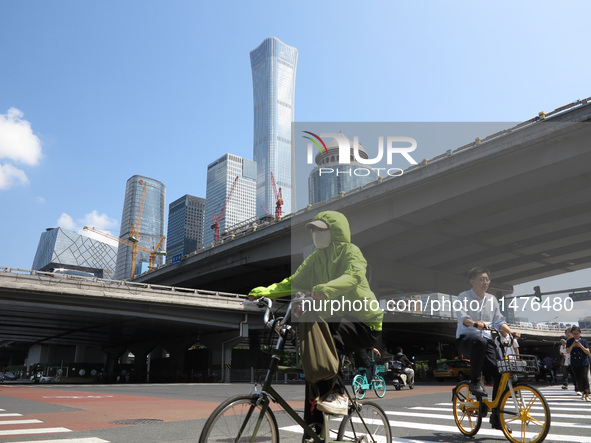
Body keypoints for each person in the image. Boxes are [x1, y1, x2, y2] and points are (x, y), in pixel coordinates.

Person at [249, 211, 383, 419]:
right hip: (336, 318)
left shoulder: (350, 251)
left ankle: (338, 394)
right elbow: (294, 281)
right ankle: (313, 433)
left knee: (328, 339)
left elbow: (354, 275)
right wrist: (265, 291)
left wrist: (325, 289)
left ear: (335, 231)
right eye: (313, 230)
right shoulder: (315, 259)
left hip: (364, 322)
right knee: (312, 366)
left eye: (320, 230)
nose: (315, 234)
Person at [455, 267, 519, 430]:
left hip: (485, 340)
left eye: (487, 279)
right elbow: (463, 318)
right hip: (466, 339)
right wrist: (475, 323)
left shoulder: (491, 299)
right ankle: (475, 381)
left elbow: (498, 321)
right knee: (480, 341)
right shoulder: (463, 296)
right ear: (472, 281)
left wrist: (512, 332)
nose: (485, 282)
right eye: (481, 279)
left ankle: (497, 417)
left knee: (500, 374)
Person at [566, 326, 591, 401]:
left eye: (577, 334)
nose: (576, 335)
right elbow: (568, 351)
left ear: (579, 333)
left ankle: (587, 393)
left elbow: (587, 351)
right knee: (578, 378)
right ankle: (582, 392)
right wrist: (573, 345)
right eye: (574, 334)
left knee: (584, 377)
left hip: (583, 361)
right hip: (574, 362)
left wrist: (580, 345)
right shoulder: (569, 341)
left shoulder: (583, 341)